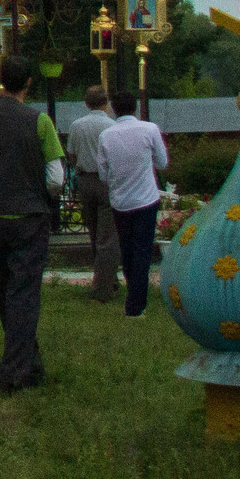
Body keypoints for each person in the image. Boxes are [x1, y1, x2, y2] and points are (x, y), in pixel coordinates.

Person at [0, 56, 66, 392]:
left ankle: (31, 364)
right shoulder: (39, 122)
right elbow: (56, 178)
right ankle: (12, 372)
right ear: (28, 83)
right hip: (28, 215)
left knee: (3, 289)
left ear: (0, 80)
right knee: (23, 294)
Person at [97, 90, 170, 316]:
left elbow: (103, 174)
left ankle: (134, 297)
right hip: (146, 199)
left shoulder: (106, 136)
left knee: (127, 251)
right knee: (142, 251)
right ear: (135, 108)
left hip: (120, 201)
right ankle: (136, 303)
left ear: (113, 108)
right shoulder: (149, 129)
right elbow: (162, 161)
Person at [67, 85, 119, 303]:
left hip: (85, 180)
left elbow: (71, 155)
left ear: (87, 103)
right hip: (106, 181)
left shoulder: (77, 125)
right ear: (105, 102)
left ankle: (105, 277)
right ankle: (103, 285)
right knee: (107, 236)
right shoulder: (112, 126)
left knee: (94, 231)